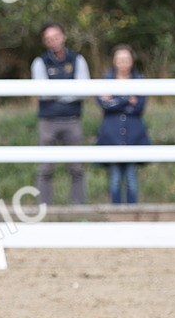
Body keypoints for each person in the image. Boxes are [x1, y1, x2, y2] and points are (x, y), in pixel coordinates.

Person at [31, 21, 90, 205]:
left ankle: (79, 208)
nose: (53, 41)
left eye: (56, 37)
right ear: (44, 42)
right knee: (45, 168)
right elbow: (43, 92)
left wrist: (57, 92)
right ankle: (44, 207)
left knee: (77, 167)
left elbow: (83, 90)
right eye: (48, 39)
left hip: (72, 119)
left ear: (64, 36)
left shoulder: (77, 59)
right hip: (48, 121)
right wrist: (68, 92)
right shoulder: (40, 62)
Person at [96, 44, 151, 204]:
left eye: (126, 59)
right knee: (114, 178)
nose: (123, 63)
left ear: (132, 61)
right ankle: (115, 212)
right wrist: (127, 100)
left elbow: (139, 106)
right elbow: (104, 105)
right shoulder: (105, 80)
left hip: (133, 136)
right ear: (114, 61)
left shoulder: (140, 80)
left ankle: (133, 213)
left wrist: (115, 100)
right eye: (120, 59)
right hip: (111, 136)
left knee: (131, 178)